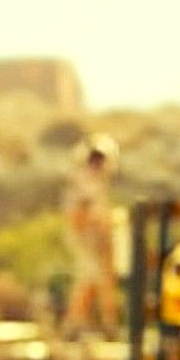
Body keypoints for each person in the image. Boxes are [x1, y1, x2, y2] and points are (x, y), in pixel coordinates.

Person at [62, 134, 120, 337]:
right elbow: (78, 213)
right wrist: (87, 233)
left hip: (97, 238)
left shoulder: (97, 182)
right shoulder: (83, 181)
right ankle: (74, 325)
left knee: (100, 281)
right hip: (87, 239)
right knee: (89, 280)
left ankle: (104, 324)